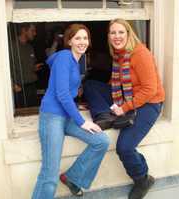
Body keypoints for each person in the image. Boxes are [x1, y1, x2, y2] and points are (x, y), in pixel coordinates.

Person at [83, 18, 165, 199]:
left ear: (129, 34)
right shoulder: (119, 55)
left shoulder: (140, 53)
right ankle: (105, 115)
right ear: (109, 36)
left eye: (121, 32)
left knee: (125, 147)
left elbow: (150, 90)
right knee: (91, 85)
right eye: (113, 33)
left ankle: (142, 179)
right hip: (127, 96)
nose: (117, 36)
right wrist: (104, 94)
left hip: (149, 103)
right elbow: (117, 81)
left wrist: (124, 107)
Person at [31, 24, 110, 199]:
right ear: (69, 41)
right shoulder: (65, 57)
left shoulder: (77, 60)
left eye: (85, 38)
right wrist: (82, 121)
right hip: (52, 116)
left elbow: (68, 92)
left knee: (101, 141)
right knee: (49, 174)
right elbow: (61, 94)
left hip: (67, 116)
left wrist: (76, 106)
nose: (82, 42)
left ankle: (72, 177)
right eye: (78, 38)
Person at [10, 23, 43, 108]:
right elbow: (5, 68)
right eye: (32, 31)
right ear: (24, 30)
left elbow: (29, 66)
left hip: (32, 87)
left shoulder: (29, 47)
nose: (35, 33)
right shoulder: (11, 47)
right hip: (19, 89)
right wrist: (12, 84)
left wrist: (34, 68)